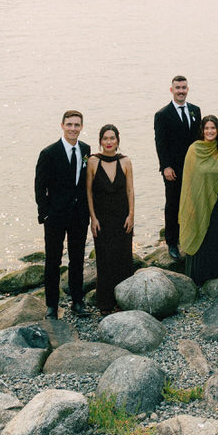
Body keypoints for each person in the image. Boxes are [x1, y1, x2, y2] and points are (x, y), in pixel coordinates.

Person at [34, 110, 92, 319]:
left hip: (78, 216)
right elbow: (39, 187)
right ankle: (51, 305)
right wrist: (45, 215)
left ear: (81, 127)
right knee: (53, 261)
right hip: (55, 216)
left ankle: (77, 301)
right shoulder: (48, 153)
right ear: (62, 125)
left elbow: (85, 182)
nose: (73, 129)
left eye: (77, 125)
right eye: (69, 125)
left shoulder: (86, 149)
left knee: (77, 259)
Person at [178, 116, 218, 286]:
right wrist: (193, 205)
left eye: (213, 128)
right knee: (205, 236)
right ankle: (203, 274)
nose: (210, 131)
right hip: (201, 200)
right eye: (206, 128)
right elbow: (189, 181)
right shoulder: (194, 150)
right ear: (202, 131)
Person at [85, 124, 135, 314]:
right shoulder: (93, 162)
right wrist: (93, 218)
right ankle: (105, 303)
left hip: (122, 217)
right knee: (105, 260)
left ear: (117, 141)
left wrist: (131, 215)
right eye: (105, 138)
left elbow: (130, 190)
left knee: (124, 258)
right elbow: (88, 192)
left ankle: (125, 300)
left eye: (112, 138)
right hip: (102, 219)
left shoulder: (125, 161)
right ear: (100, 141)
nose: (108, 142)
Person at [154, 76, 202, 261]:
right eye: (177, 88)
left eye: (183, 87)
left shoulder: (195, 110)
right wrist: (165, 166)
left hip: (193, 167)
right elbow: (160, 143)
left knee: (191, 203)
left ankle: (189, 236)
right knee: (172, 204)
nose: (181, 90)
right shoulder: (163, 114)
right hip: (172, 169)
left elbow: (198, 138)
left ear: (187, 89)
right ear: (171, 90)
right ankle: (172, 242)